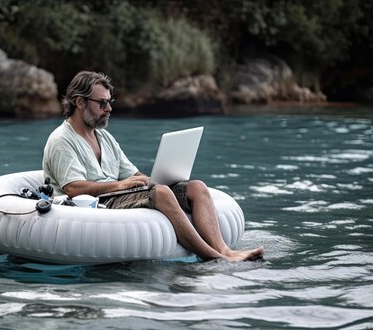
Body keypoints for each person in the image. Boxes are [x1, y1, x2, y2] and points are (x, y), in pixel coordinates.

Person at [42, 71, 264, 261]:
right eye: (102, 103)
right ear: (80, 102)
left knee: (196, 187)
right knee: (161, 193)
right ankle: (215, 257)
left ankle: (226, 249)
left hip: (117, 194)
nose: (109, 108)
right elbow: (73, 188)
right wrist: (120, 186)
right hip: (93, 205)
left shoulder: (104, 137)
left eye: (111, 102)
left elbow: (133, 174)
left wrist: (155, 177)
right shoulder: (63, 139)